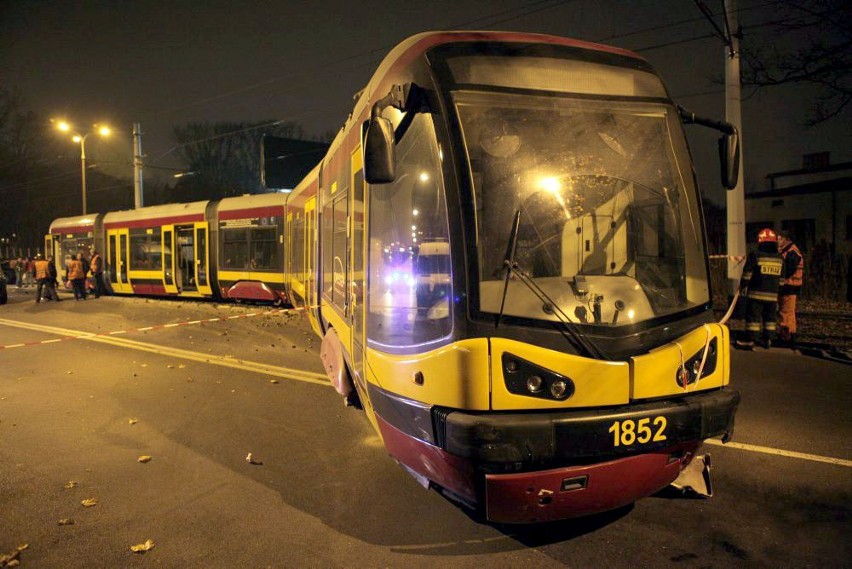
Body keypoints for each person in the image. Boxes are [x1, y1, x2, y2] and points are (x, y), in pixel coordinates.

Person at [735, 228, 783, 350]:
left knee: (753, 319)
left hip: (755, 294)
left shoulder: (755, 255)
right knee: (770, 319)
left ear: (760, 242)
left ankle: (751, 341)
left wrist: (743, 286)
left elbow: (747, 273)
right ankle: (768, 340)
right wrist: (778, 292)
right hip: (772, 296)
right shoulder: (780, 258)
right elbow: (782, 279)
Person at [777, 230, 804, 346]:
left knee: (785, 313)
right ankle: (790, 334)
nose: (777, 241)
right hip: (791, 286)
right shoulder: (790, 251)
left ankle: (785, 336)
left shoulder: (792, 252)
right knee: (789, 313)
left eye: (779, 238)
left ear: (786, 239)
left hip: (789, 286)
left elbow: (787, 271)